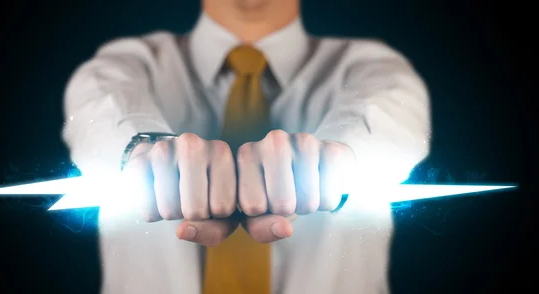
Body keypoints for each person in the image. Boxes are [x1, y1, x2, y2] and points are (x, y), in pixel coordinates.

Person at [62, 0, 431, 293]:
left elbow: (391, 117)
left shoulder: (372, 67)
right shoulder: (125, 63)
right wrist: (145, 152)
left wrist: (337, 158)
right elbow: (100, 108)